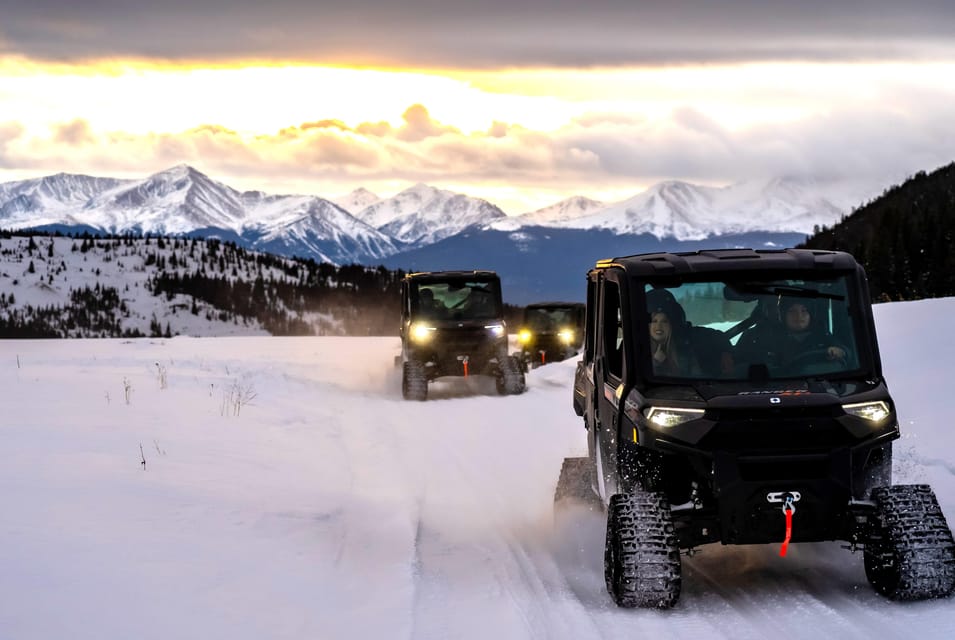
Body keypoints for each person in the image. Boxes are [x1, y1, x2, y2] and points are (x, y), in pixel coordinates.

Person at [745, 297, 848, 368]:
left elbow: (847, 353)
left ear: (810, 314)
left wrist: (840, 351)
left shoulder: (822, 337)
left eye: (804, 311)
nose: (799, 316)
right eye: (792, 311)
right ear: (783, 315)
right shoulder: (769, 338)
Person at [646, 289, 700, 376]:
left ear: (671, 325)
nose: (658, 326)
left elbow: (696, 376)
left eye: (664, 321)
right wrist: (656, 362)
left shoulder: (684, 351)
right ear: (648, 326)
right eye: (654, 321)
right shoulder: (638, 351)